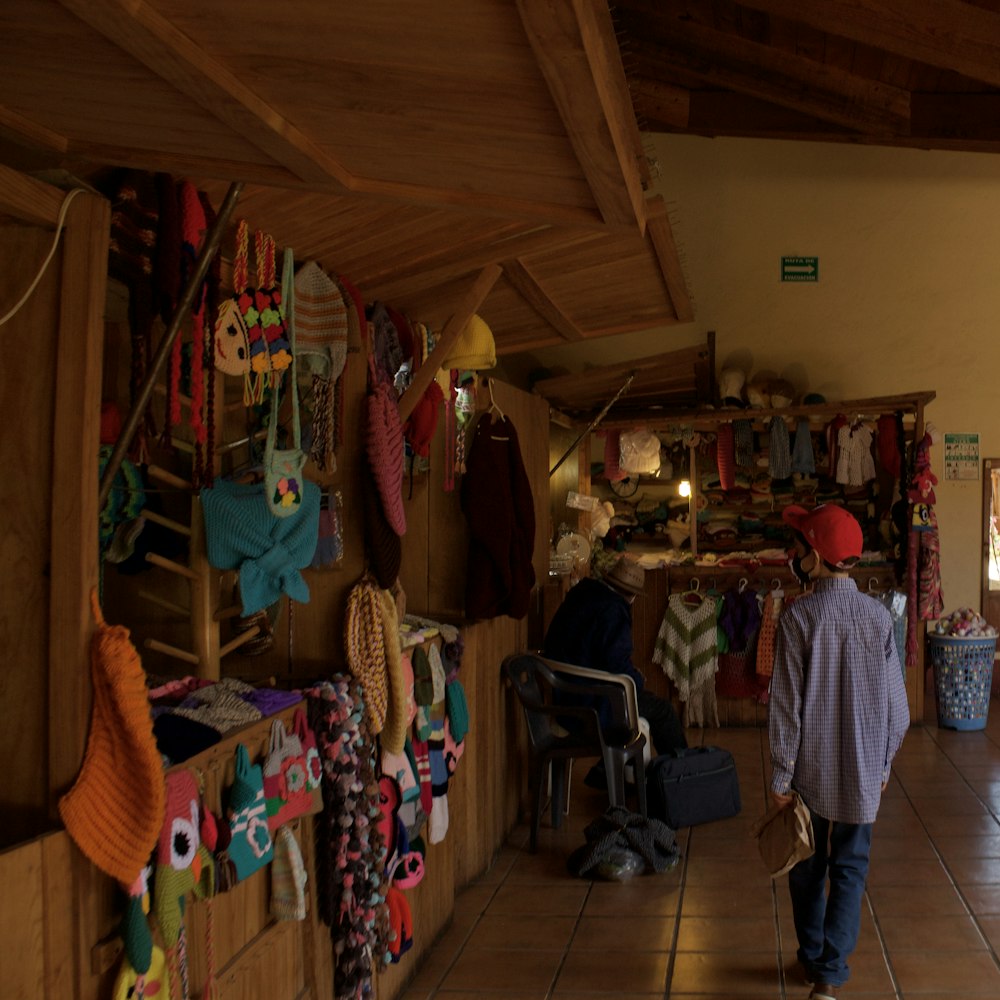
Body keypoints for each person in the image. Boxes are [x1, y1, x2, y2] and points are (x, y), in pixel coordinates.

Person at [769, 504, 909, 1000]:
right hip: (864, 774)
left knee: (806, 866)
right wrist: (884, 763)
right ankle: (829, 975)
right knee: (850, 866)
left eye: (800, 547)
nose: (795, 555)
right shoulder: (878, 619)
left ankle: (810, 956)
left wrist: (781, 778)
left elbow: (786, 709)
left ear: (815, 557)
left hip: (809, 774)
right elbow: (900, 708)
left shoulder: (799, 619)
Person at [542, 557, 687, 776]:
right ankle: (684, 775)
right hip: (590, 704)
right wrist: (637, 680)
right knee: (663, 711)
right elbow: (617, 665)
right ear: (632, 596)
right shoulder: (613, 611)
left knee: (638, 698)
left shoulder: (581, 596)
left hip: (561, 694)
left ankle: (611, 769)